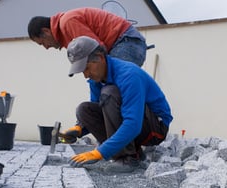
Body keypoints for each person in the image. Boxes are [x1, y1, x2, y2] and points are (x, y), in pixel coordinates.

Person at [64, 36, 172, 173]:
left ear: (100, 58)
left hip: (156, 127)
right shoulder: (95, 80)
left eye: (86, 68)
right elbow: (98, 110)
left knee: (109, 93)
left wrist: (99, 153)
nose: (86, 75)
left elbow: (133, 125)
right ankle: (134, 153)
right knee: (84, 110)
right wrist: (80, 128)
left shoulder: (129, 75)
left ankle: (129, 159)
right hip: (137, 124)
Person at [27, 7, 148, 67]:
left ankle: (152, 115)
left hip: (126, 42)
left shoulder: (67, 23)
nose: (46, 47)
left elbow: (97, 49)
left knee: (118, 84)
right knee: (110, 89)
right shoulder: (65, 30)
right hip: (123, 42)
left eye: (42, 43)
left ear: (46, 31)